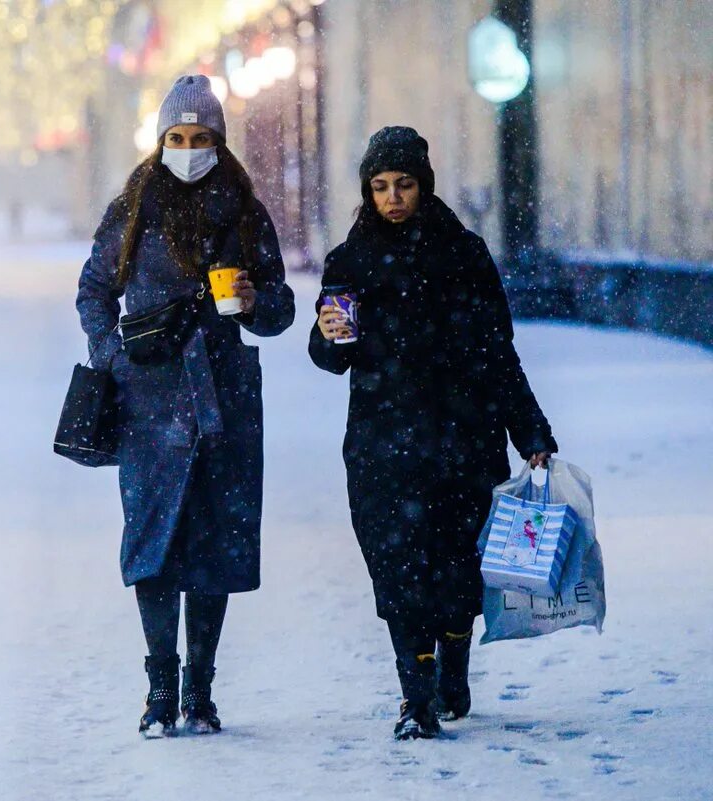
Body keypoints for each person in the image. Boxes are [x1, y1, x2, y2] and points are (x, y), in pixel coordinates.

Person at [309, 126, 557, 740]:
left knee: (456, 572)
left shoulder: (465, 255)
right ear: (367, 192)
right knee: (396, 572)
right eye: (380, 186)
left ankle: (454, 664)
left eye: (404, 184)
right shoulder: (351, 260)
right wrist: (329, 334)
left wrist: (530, 430)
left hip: (462, 441)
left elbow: (499, 354)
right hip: (381, 448)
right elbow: (330, 354)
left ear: (424, 185)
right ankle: (415, 699)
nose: (392, 197)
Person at [77, 75, 295, 737]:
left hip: (224, 401)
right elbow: (93, 290)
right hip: (150, 401)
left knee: (215, 545)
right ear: (161, 140)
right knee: (153, 544)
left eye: (201, 138)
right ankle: (158, 688)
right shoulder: (133, 208)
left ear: (219, 142)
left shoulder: (243, 211)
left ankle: (200, 691)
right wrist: (110, 352)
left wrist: (256, 303)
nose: (189, 148)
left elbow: (281, 306)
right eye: (178, 137)